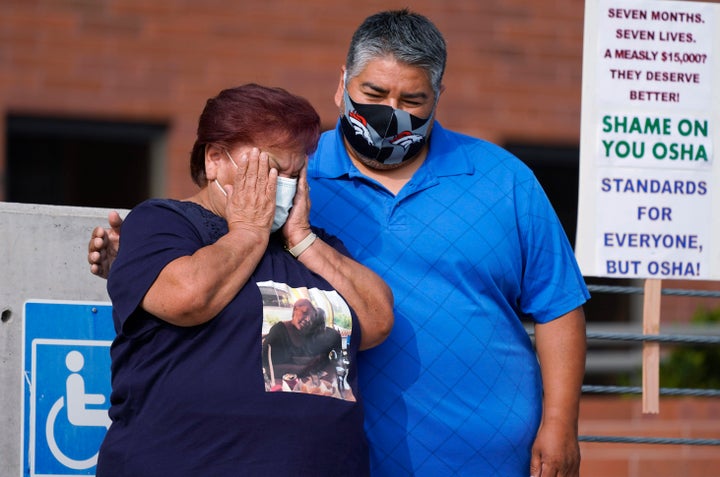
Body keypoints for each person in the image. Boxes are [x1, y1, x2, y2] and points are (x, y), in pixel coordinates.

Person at [89, 9, 589, 477]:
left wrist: (560, 423)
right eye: (374, 92)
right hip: (353, 455)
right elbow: (190, 277)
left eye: (412, 101)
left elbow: (555, 305)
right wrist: (131, 259)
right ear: (342, 85)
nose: (391, 112)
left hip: (484, 456)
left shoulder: (503, 179)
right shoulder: (308, 168)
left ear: (437, 97)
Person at [93, 83, 394, 477]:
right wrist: (248, 231)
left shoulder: (312, 245)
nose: (282, 185)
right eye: (270, 169)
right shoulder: (163, 223)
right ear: (216, 159)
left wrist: (303, 240)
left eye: (295, 172)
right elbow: (188, 298)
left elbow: (376, 322)